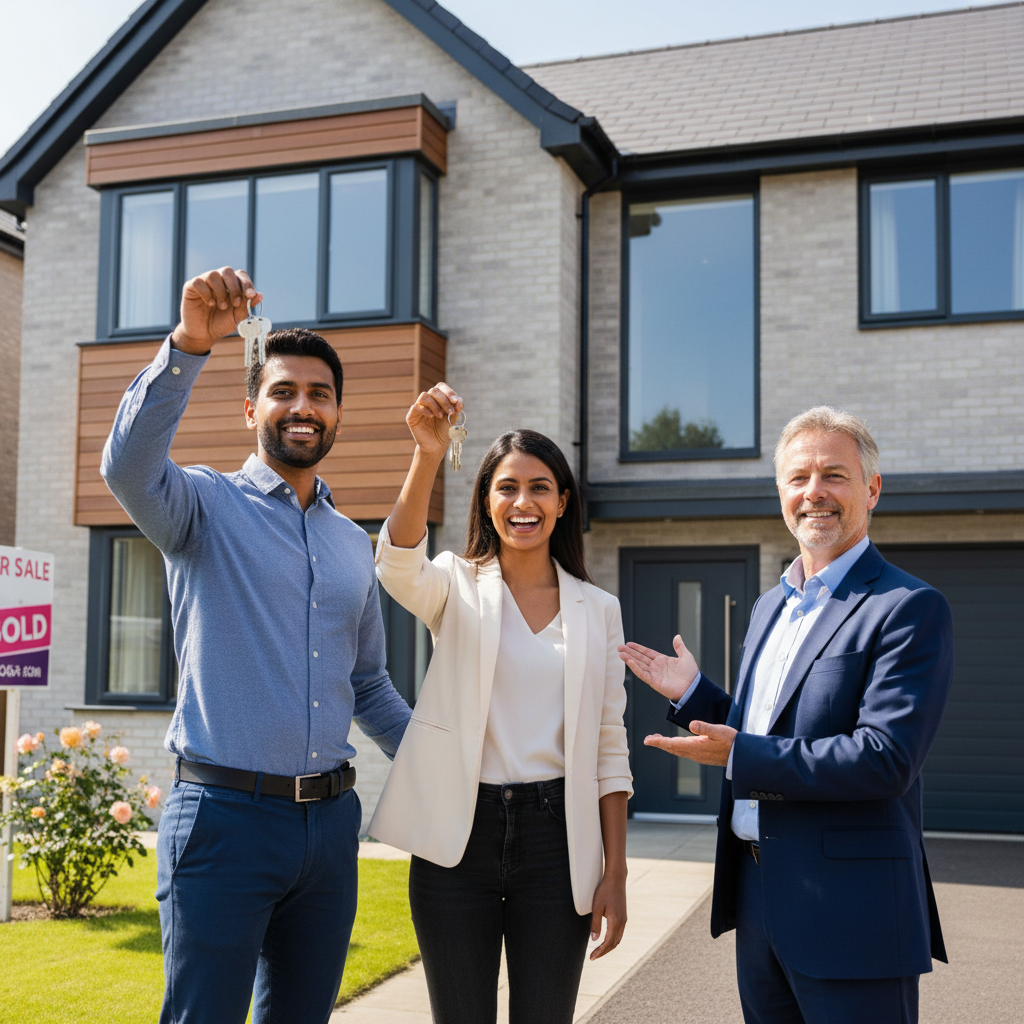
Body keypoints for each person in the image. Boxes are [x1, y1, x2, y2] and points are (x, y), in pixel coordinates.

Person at [101, 267, 411, 1024]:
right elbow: (127, 468)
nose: (302, 407)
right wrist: (186, 347)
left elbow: (368, 685)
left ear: (337, 414)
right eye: (283, 392)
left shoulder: (349, 545)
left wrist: (450, 766)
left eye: (319, 394)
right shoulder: (202, 507)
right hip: (221, 821)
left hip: (331, 830)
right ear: (251, 409)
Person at [619, 406, 954, 1024]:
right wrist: (695, 694)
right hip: (760, 901)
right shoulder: (772, 606)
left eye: (834, 475)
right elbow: (768, 731)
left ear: (873, 489)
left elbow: (886, 759)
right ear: (781, 494)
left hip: (852, 912)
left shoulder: (908, 608)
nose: (814, 492)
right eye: (798, 478)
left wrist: (739, 755)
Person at [368, 384, 632, 1024]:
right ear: (487, 503)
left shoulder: (598, 611)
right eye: (507, 488)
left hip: (556, 841)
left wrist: (616, 872)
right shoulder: (456, 584)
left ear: (563, 503)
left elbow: (608, 746)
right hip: (459, 840)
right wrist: (427, 455)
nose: (524, 502)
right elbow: (396, 564)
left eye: (540, 487)